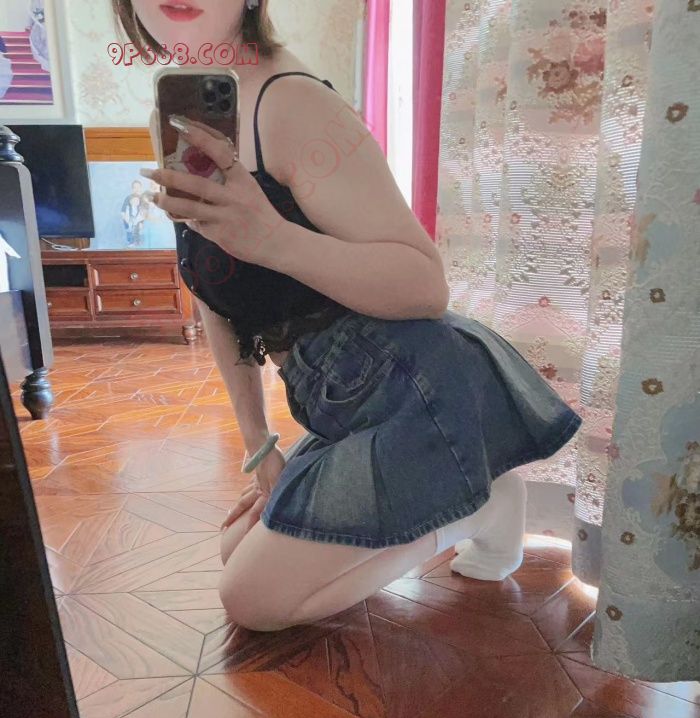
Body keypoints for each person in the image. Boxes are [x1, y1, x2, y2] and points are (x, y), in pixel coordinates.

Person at [119, 0, 582, 632]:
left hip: (409, 385)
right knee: (235, 549)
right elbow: (212, 291)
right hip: (338, 395)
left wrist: (272, 239)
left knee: (252, 601)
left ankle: (480, 506)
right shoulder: (177, 120)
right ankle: (475, 490)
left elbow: (424, 283)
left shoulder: (292, 104)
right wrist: (258, 446)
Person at [120, 180, 146, 247]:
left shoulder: (142, 199)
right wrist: (125, 218)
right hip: (128, 218)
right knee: (129, 229)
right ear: (132, 189)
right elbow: (123, 210)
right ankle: (130, 242)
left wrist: (141, 222)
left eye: (138, 187)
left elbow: (143, 212)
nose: (136, 189)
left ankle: (137, 241)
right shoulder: (128, 198)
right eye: (135, 187)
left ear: (141, 188)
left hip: (138, 218)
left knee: (138, 229)